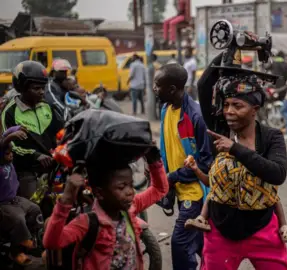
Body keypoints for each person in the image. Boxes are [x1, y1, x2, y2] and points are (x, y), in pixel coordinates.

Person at [195, 64, 287, 269]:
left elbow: (277, 174)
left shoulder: (270, 137)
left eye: (238, 106)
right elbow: (204, 84)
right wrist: (231, 48)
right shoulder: (218, 131)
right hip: (220, 232)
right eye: (227, 104)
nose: (229, 111)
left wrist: (235, 149)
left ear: (254, 110)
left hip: (263, 228)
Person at [42, 147, 168, 269]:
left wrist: (154, 161)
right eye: (121, 187)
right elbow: (52, 242)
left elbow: (159, 190)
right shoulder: (87, 222)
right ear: (100, 192)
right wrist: (66, 199)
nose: (130, 192)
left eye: (130, 185)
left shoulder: (129, 209)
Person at [153, 63, 213, 270]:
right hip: (179, 188)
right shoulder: (166, 109)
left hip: (195, 193)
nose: (154, 88)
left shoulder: (196, 116)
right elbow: (167, 147)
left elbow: (206, 162)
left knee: (180, 242)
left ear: (171, 89)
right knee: (198, 243)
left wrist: (172, 177)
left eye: (157, 85)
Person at [183, 155, 287, 243]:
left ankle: (284, 227)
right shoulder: (221, 157)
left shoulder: (259, 151)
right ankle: (201, 218)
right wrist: (196, 169)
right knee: (213, 193)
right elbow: (210, 182)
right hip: (226, 213)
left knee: (272, 195)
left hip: (257, 207)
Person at [2, 61, 62, 199]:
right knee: (34, 207)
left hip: (53, 166)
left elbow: (61, 133)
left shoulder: (47, 107)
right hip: (27, 170)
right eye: (36, 88)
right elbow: (10, 146)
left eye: (43, 88)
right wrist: (35, 155)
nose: (41, 92)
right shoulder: (10, 111)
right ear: (22, 88)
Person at [0, 126, 43, 266]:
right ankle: (16, 252)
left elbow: (6, 133)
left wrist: (19, 128)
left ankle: (31, 243)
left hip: (15, 199)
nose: (11, 155)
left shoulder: (8, 160)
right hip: (3, 203)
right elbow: (3, 143)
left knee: (35, 209)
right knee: (18, 219)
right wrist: (10, 138)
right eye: (7, 154)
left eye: (11, 153)